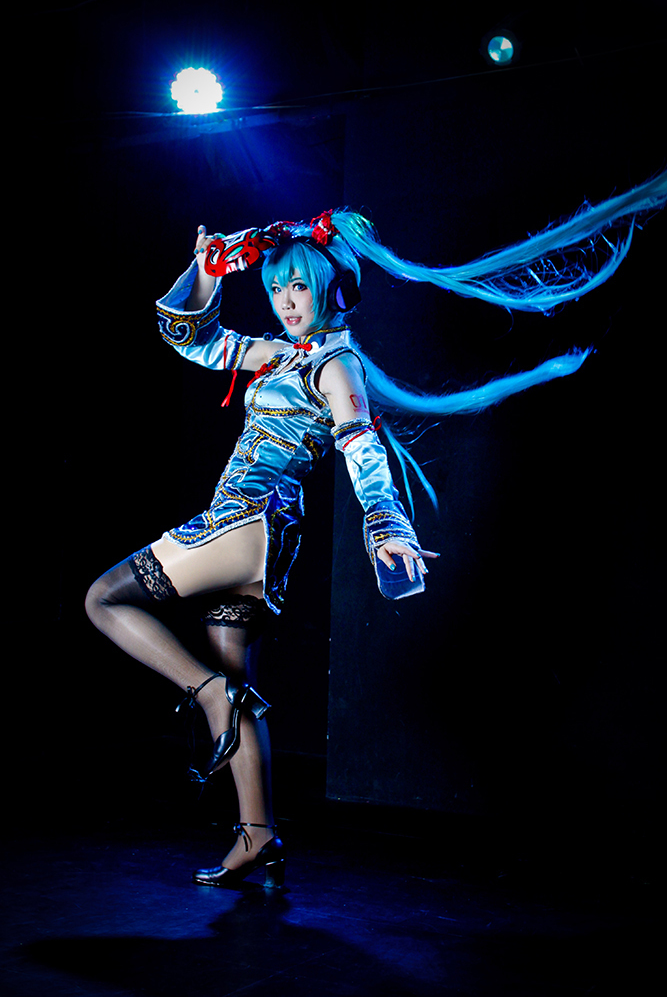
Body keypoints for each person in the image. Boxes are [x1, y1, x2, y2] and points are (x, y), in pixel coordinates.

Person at [85, 176, 666, 889]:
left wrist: (387, 526)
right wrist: (206, 272)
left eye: (299, 286)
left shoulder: (336, 365)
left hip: (240, 523)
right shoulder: (279, 353)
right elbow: (188, 336)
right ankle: (258, 834)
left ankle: (204, 693)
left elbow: (362, 449)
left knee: (103, 599)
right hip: (271, 545)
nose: (285, 301)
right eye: (277, 288)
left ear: (332, 288)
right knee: (238, 682)